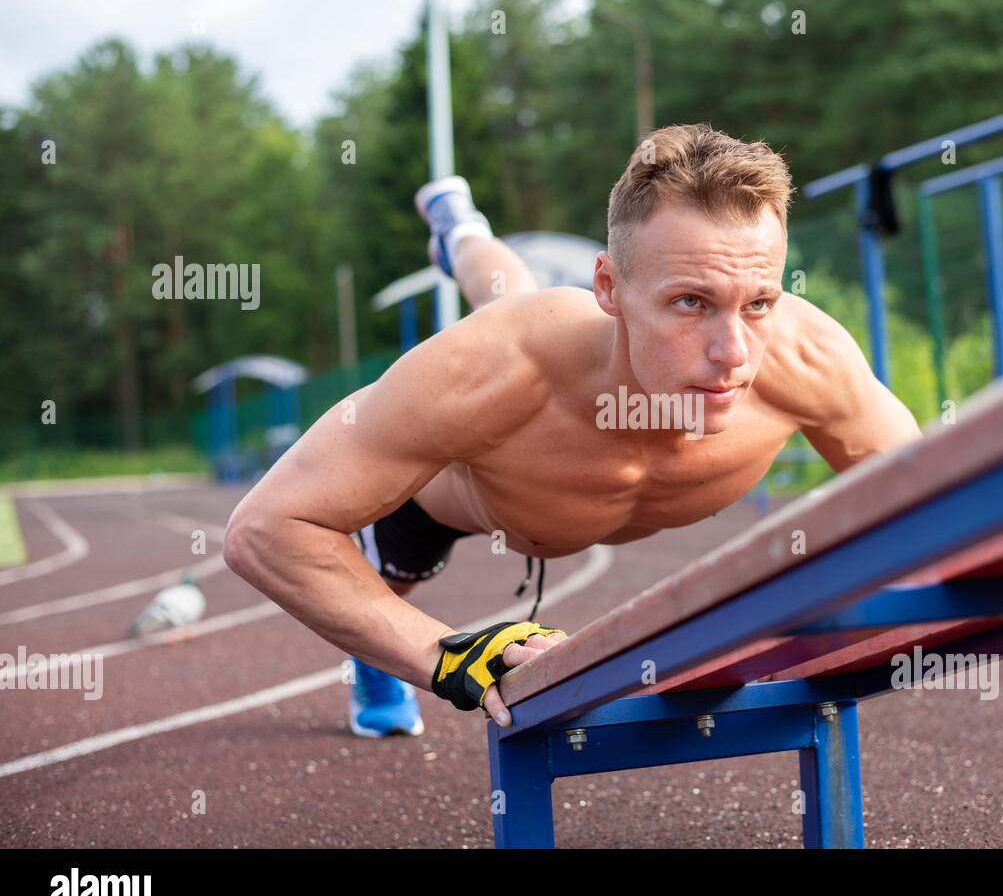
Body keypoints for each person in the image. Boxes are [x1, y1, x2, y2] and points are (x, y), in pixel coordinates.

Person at [224, 123, 923, 734]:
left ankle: (466, 229)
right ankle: (461, 232)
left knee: (518, 293)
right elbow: (263, 529)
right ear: (611, 289)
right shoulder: (488, 371)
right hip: (465, 496)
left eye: (760, 301)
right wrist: (441, 655)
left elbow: (933, 492)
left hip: (556, 387)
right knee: (388, 586)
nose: (733, 352)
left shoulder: (808, 360)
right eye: (691, 301)